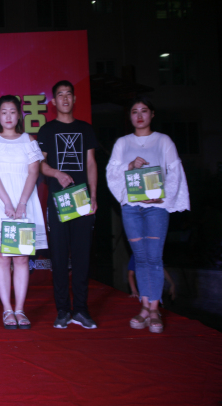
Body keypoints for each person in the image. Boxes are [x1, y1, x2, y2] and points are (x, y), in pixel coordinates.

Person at [107, 97, 189, 333]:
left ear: (152, 114)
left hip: (156, 207)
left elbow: (175, 171)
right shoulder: (123, 143)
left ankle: (154, 309)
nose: (139, 115)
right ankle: (144, 307)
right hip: (131, 207)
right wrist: (130, 166)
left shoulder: (163, 141)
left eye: (144, 111)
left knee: (154, 257)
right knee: (141, 257)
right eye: (134, 111)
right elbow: (111, 172)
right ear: (130, 116)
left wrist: (163, 197)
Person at [0, 95, 48, 329]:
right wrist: (7, 203)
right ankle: (7, 310)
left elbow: (33, 172)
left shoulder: (28, 140)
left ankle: (20, 309)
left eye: (12, 111)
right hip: (0, 203)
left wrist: (21, 203)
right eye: (4, 112)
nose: (8, 116)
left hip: (25, 202)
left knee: (21, 257)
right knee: (2, 255)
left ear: (19, 115)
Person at [38, 80, 99, 329]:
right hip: (59, 201)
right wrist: (57, 173)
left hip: (82, 200)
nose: (65, 98)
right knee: (60, 257)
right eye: (60, 95)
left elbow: (91, 164)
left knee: (82, 256)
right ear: (53, 102)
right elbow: (40, 165)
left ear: (74, 99)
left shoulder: (85, 129)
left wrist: (94, 196)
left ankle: (81, 310)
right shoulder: (47, 130)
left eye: (68, 94)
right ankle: (63, 310)